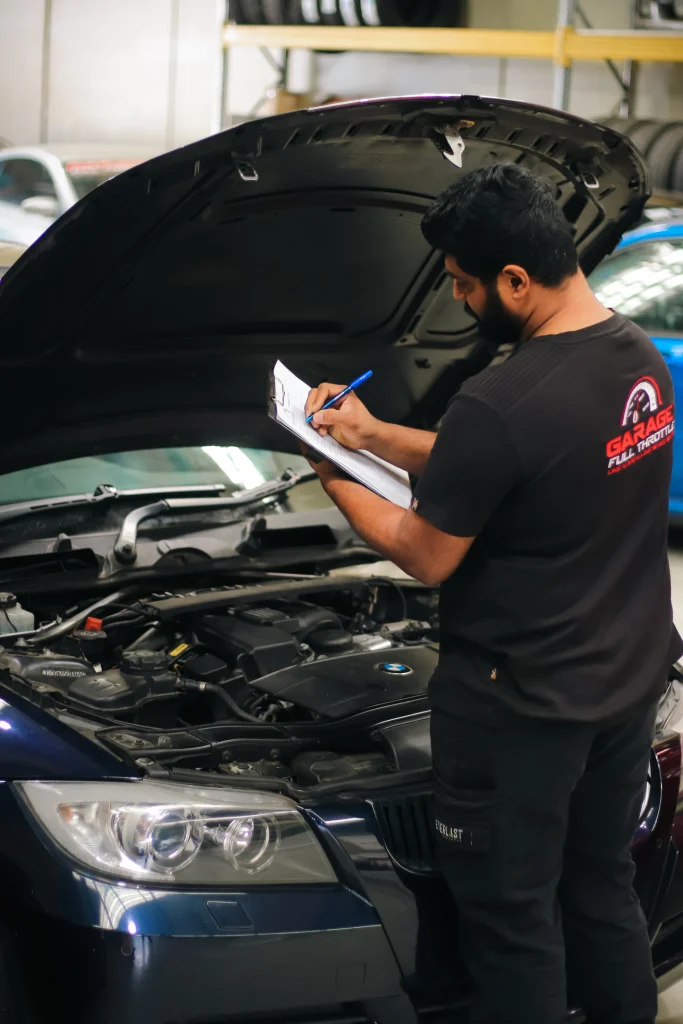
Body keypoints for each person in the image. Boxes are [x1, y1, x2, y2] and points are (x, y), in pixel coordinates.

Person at [303, 163, 681, 1024]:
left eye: (466, 285)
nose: (461, 299)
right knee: (599, 885)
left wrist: (333, 471)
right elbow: (510, 460)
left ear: (515, 279)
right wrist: (370, 434)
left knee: (512, 921)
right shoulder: (635, 360)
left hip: (523, 712)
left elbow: (424, 553)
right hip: (623, 684)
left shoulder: (502, 399)